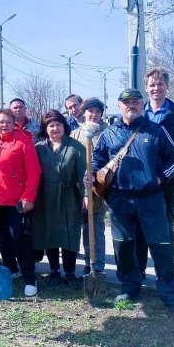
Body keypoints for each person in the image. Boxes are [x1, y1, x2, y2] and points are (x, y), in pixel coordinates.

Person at [91, 88, 174, 319]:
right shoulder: (109, 134)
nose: (131, 105)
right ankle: (129, 287)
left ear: (142, 105)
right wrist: (92, 174)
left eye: (135, 101)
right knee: (123, 245)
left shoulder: (156, 130)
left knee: (161, 245)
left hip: (151, 199)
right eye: (126, 102)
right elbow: (97, 160)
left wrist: (160, 178)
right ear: (119, 106)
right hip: (119, 199)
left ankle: (171, 294)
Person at [137, 68, 174, 278]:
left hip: (169, 179)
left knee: (165, 225)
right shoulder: (140, 112)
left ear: (167, 86)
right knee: (140, 225)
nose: (156, 88)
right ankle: (140, 270)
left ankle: (166, 271)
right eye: (152, 85)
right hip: (142, 179)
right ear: (146, 88)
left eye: (160, 84)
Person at [0, 109, 41, 297]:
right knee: (2, 237)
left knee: (18, 238)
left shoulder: (23, 142)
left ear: (14, 123)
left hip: (17, 201)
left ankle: (30, 278)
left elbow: (34, 172)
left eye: (8, 122)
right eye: (1, 122)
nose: (4, 125)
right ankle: (11, 269)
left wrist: (28, 198)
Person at [32, 110, 86, 290]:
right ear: (45, 128)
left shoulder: (76, 147)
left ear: (64, 126)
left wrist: (85, 195)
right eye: (51, 125)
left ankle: (70, 272)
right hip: (44, 197)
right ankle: (54, 270)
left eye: (58, 125)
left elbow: (83, 175)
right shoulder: (39, 148)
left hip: (70, 195)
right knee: (50, 232)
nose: (55, 128)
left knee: (70, 233)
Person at [70, 98, 108, 276]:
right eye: (90, 111)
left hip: (99, 188)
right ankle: (86, 262)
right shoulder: (75, 134)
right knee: (84, 227)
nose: (93, 115)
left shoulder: (107, 134)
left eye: (97, 112)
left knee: (95, 227)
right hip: (78, 187)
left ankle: (96, 265)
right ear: (83, 112)